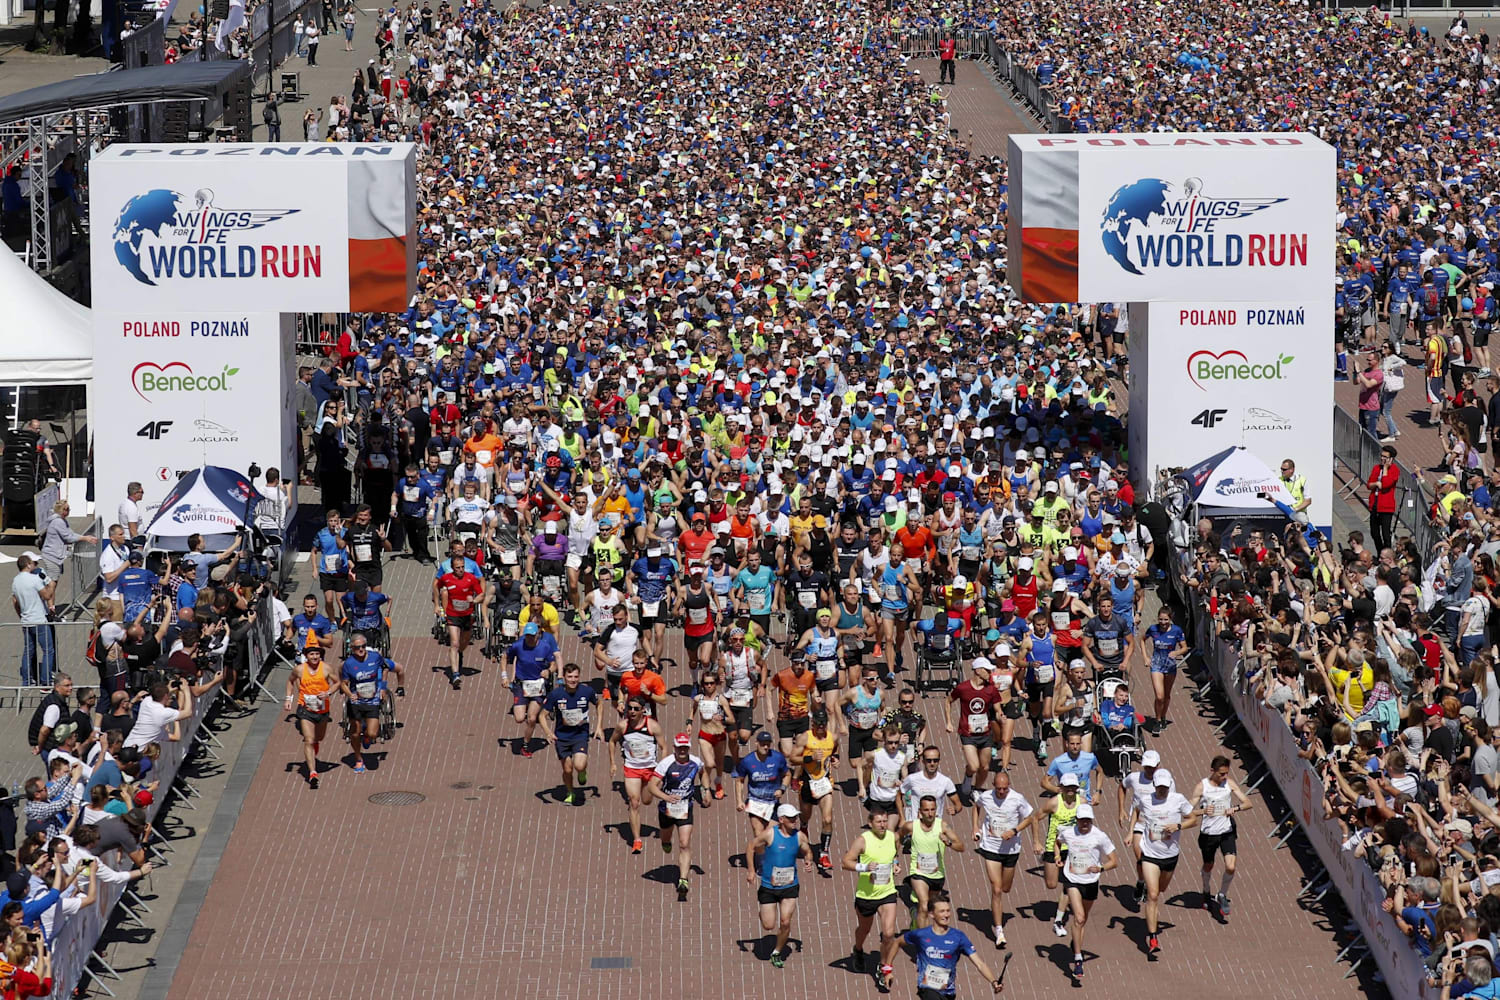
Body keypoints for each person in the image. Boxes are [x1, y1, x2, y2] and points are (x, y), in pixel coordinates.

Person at [1136, 769, 1197, 958]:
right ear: (1154, 785)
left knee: (1161, 889)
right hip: (1150, 853)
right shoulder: (1145, 800)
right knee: (1153, 895)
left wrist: (1178, 826)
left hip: (1170, 855)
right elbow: (1136, 810)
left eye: (1165, 787)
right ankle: (1153, 938)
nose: (1162, 791)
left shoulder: (1177, 799)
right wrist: (1132, 831)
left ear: (1169, 785)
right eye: (1159, 787)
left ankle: (1151, 889)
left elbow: (1193, 819)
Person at [971, 770, 1036, 947]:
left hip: (1011, 849)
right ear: (993, 786)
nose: (1001, 792)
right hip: (990, 847)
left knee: (1006, 887)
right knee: (997, 888)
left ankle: (998, 917)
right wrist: (975, 827)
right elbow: (976, 806)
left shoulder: (1017, 799)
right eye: (998, 789)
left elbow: (1030, 818)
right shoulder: (985, 797)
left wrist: (1014, 830)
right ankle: (999, 931)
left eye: (1004, 789)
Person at [842, 804, 903, 992]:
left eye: (885, 821)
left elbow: (895, 855)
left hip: (887, 892)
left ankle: (884, 967)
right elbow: (846, 862)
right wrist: (864, 868)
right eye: (879, 822)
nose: (883, 825)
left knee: (889, 933)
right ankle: (858, 949)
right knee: (864, 929)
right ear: (870, 823)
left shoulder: (893, 837)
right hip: (866, 894)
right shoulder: (862, 840)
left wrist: (895, 864)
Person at [1056, 803, 1119, 983]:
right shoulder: (1068, 832)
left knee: (1082, 920)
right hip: (1072, 879)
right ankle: (1078, 960)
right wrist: (1057, 856)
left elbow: (1114, 861)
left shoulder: (1099, 836)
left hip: (1091, 882)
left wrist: (1100, 868)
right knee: (1079, 918)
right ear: (1077, 820)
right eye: (1082, 820)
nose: (1085, 823)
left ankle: (1075, 943)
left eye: (1088, 820)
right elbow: (1058, 842)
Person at [746, 803, 814, 968]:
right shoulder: (770, 834)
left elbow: (807, 850)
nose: (795, 821)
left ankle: (776, 952)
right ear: (781, 820)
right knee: (768, 925)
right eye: (791, 818)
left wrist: (808, 861)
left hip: (790, 886)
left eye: (795, 818)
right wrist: (751, 871)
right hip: (769, 886)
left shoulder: (799, 837)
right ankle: (763, 913)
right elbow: (751, 847)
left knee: (785, 922)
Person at [902, 895, 1005, 997]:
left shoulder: (958, 937)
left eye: (948, 911)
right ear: (932, 914)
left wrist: (994, 981)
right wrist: (887, 967)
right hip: (927, 988)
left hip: (948, 992)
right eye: (942, 911)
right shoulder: (922, 934)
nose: (946, 915)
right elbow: (897, 942)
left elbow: (979, 963)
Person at [1190, 756, 1252, 920]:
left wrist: (1236, 808)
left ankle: (1222, 895)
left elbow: (1248, 803)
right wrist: (1203, 811)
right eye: (1221, 774)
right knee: (1209, 865)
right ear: (1213, 771)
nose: (1224, 777)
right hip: (1209, 834)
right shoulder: (1201, 787)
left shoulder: (1229, 784)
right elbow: (1187, 811)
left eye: (1226, 773)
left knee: (1231, 866)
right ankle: (1206, 890)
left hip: (1227, 831)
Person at [649, 733, 705, 899]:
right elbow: (652, 786)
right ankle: (665, 842)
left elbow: (704, 772)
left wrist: (705, 790)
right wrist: (666, 797)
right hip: (666, 808)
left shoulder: (695, 761)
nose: (682, 750)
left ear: (689, 748)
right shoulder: (666, 764)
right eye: (679, 748)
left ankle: (683, 879)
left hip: (685, 808)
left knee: (684, 843)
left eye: (685, 748)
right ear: (674, 748)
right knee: (666, 838)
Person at [899, 794, 965, 929]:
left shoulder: (943, 826)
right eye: (926, 810)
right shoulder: (911, 826)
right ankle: (923, 940)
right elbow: (898, 837)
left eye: (933, 810)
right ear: (920, 812)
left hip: (937, 874)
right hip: (918, 873)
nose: (930, 813)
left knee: (930, 907)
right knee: (924, 903)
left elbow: (961, 847)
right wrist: (895, 857)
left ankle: (915, 917)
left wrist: (948, 843)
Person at [609, 698, 664, 854]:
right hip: (631, 768)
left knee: (647, 800)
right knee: (634, 802)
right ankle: (637, 840)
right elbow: (612, 742)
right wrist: (612, 763)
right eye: (630, 708)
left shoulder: (652, 726)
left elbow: (664, 747)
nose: (632, 711)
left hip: (650, 768)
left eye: (635, 708)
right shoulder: (622, 726)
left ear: (642, 710)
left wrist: (662, 768)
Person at [539, 663, 599, 806]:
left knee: (578, 765)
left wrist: (599, 726)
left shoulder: (587, 691)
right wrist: (548, 732)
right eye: (570, 677)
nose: (573, 680)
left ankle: (582, 771)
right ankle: (570, 792)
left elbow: (599, 703)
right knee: (567, 769)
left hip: (580, 735)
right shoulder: (556, 694)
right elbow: (542, 715)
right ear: (564, 678)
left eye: (576, 677)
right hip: (562, 737)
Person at [339, 634, 399, 774]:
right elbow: (343, 683)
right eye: (357, 647)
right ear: (352, 648)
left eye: (363, 646)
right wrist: (349, 694)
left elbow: (385, 668)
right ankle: (358, 758)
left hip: (372, 700)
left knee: (372, 733)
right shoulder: (348, 664)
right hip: (356, 702)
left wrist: (383, 687)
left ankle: (366, 737)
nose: (361, 649)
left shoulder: (375, 657)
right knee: (355, 733)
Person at [946, 657, 1001, 804]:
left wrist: (1000, 715)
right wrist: (949, 722)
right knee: (974, 765)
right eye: (987, 670)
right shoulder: (963, 688)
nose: (990, 673)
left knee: (985, 766)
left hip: (985, 733)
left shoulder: (991, 689)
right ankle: (968, 777)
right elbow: (948, 701)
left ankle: (976, 789)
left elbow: (997, 707)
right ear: (978, 670)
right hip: (967, 733)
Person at [735, 730, 791, 868]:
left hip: (772, 803)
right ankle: (762, 862)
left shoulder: (777, 758)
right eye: (762, 744)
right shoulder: (747, 761)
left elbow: (787, 774)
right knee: (758, 834)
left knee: (771, 834)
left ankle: (771, 856)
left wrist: (782, 789)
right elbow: (739, 780)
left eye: (768, 744)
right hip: (755, 802)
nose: (765, 747)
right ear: (756, 744)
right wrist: (739, 801)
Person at [506, 622, 559, 756]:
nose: (529, 639)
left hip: (538, 685)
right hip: (521, 684)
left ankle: (525, 745)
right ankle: (527, 707)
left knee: (531, 718)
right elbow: (505, 657)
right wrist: (504, 675)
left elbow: (554, 664)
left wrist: (548, 670)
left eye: (532, 636)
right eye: (527, 636)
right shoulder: (518, 645)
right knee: (518, 718)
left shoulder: (545, 647)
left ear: (537, 635)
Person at [284, 646, 332, 789]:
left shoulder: (327, 669)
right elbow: (290, 681)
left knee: (319, 737)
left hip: (322, 709)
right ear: (306, 656)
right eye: (312, 654)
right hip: (305, 709)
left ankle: (315, 743)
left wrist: (328, 692)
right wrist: (288, 699)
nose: (315, 657)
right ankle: (312, 773)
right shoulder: (299, 669)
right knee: (309, 740)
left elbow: (337, 683)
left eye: (317, 654)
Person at [796, 709, 839, 870]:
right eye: (817, 724)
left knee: (827, 819)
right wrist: (810, 758)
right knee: (806, 814)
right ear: (813, 723)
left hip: (825, 782)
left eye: (823, 724)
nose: (820, 727)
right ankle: (804, 826)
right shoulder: (805, 738)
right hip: (807, 782)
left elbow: (835, 750)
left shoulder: (832, 737)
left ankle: (823, 854)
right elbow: (793, 757)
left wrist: (835, 759)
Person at [435, 550, 484, 689]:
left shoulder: (471, 578)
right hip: (452, 615)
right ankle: (455, 674)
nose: (461, 570)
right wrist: (437, 605)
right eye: (458, 567)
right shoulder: (446, 578)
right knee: (454, 643)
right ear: (452, 568)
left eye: (462, 566)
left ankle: (459, 653)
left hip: (467, 615)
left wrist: (474, 600)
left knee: (464, 643)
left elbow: (481, 595)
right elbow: (436, 588)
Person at [11, 555, 57, 687]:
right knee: (48, 650)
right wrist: (51, 585)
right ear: (28, 565)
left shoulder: (15, 581)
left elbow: (15, 602)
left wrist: (21, 615)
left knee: (28, 650)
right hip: (39, 620)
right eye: (32, 563)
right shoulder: (34, 579)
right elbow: (47, 595)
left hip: (26, 620)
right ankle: (46, 681)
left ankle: (26, 681)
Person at [1142, 607, 1187, 734]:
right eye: (1160, 619)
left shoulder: (1177, 630)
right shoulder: (1153, 629)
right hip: (1156, 664)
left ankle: (1163, 717)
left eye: (1166, 620)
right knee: (1159, 696)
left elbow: (1184, 647)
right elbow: (1142, 640)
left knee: (1167, 695)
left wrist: (1177, 652)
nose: (1163, 622)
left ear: (1170, 619)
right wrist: (1145, 657)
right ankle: (1156, 721)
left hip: (1170, 666)